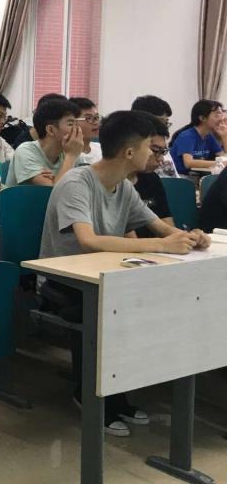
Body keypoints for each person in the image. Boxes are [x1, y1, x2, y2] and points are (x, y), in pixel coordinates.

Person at [38, 110, 208, 435]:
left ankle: (117, 393)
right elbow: (88, 241)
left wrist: (189, 237)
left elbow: (159, 227)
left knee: (144, 301)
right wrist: (161, 246)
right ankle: (89, 394)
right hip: (65, 281)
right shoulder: (77, 183)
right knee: (115, 307)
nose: (154, 154)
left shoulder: (124, 187)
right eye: (149, 147)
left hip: (107, 275)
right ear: (130, 152)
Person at [7, 99, 84, 186]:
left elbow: (85, 188)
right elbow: (57, 191)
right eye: (70, 124)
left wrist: (56, 180)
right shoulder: (25, 151)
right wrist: (71, 156)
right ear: (50, 130)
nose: (77, 129)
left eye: (76, 125)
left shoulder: (72, 153)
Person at [129, 116, 177, 236]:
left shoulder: (152, 178)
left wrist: (189, 237)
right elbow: (130, 241)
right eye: (155, 150)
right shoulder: (115, 184)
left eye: (163, 152)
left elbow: (167, 229)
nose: (161, 159)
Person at [169, 100, 225, 174]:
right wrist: (220, 163)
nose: (221, 119)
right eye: (217, 115)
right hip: (181, 177)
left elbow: (222, 156)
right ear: (202, 118)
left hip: (197, 176)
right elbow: (188, 163)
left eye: (221, 115)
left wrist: (224, 136)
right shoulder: (187, 136)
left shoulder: (209, 136)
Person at [130, 95, 179, 177]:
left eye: (166, 123)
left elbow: (176, 179)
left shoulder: (161, 146)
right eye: (160, 122)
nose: (164, 127)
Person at [70, 97, 103, 165]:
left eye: (97, 117)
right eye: (89, 118)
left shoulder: (102, 149)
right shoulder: (66, 154)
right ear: (72, 122)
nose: (96, 122)